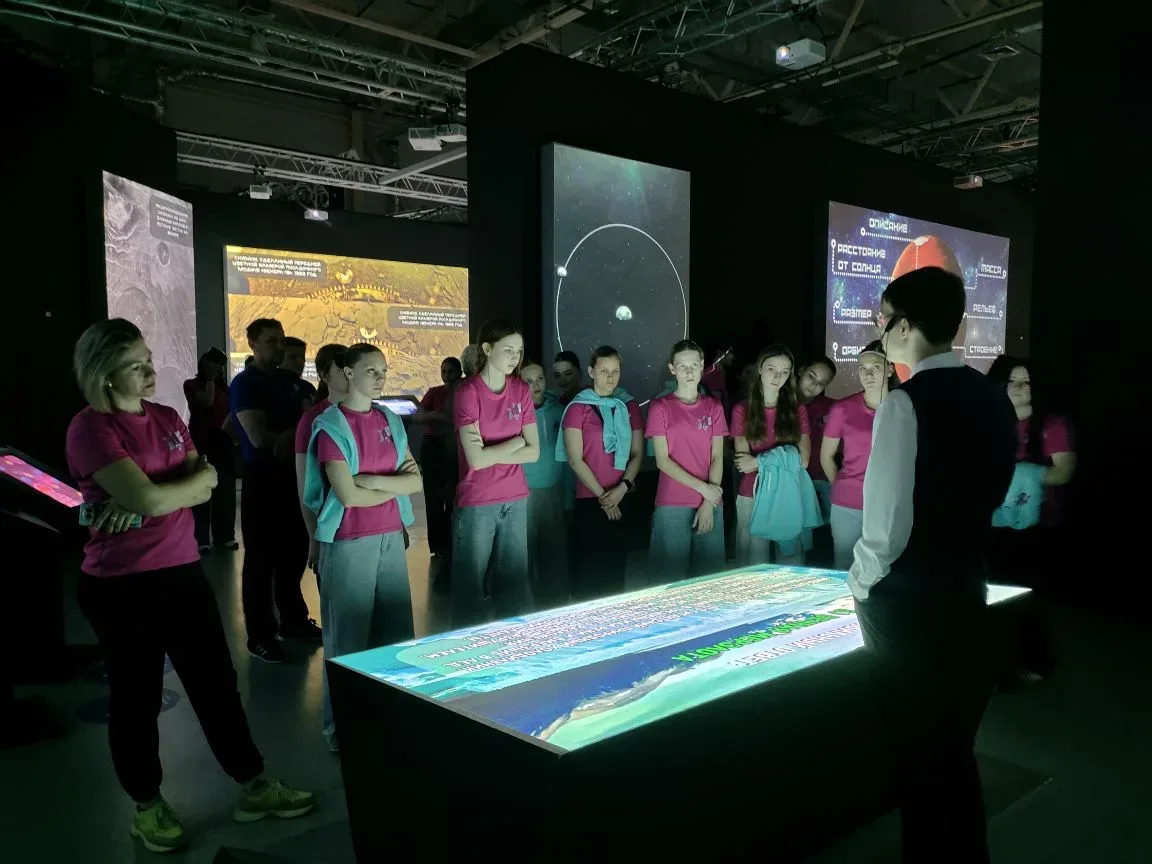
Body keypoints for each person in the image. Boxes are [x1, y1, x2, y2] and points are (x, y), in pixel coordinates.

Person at [66, 319, 313, 855]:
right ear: (103, 374)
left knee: (216, 685)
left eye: (147, 358)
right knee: (136, 698)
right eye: (134, 364)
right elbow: (161, 496)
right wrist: (167, 492)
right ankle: (146, 805)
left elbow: (207, 480)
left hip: (182, 574)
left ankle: (253, 785)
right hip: (121, 586)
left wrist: (156, 496)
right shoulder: (91, 428)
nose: (149, 370)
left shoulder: (166, 416)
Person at [850, 267, 1017, 863]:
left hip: (909, 606)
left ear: (906, 325)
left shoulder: (905, 403)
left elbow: (887, 524)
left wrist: (861, 583)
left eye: (883, 317)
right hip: (967, 587)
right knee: (953, 755)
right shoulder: (994, 397)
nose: (879, 329)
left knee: (921, 763)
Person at [304, 344, 421, 751]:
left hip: (390, 536)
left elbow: (414, 480)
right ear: (347, 373)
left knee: (395, 637)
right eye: (371, 370)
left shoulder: (390, 419)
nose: (380, 377)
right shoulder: (330, 426)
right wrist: (390, 486)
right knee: (348, 643)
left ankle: (392, 720)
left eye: (383, 370)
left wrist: (371, 481)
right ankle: (342, 732)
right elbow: (347, 496)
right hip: (348, 541)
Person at [230, 318, 317, 664]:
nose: (279, 347)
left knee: (294, 552)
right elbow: (259, 439)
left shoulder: (292, 383)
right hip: (263, 481)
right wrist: (298, 429)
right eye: (271, 341)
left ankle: (293, 621)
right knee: (261, 560)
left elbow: (311, 428)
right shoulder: (246, 383)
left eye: (282, 340)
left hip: (294, 477)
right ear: (252, 343)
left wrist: (293, 433)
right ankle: (260, 636)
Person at [986, 355, 1076, 680]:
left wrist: (1023, 474)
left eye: (1026, 382)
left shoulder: (1051, 424)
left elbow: (1064, 471)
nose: (1021, 388)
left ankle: (1034, 661)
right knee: (992, 595)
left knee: (1028, 596)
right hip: (992, 525)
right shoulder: (990, 421)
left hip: (1035, 528)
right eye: (1013, 382)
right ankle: (997, 665)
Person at [451, 319, 539, 626]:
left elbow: (534, 451)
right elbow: (476, 459)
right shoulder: (468, 391)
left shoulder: (521, 390)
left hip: (515, 498)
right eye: (508, 349)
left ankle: (513, 647)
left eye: (519, 350)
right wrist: (516, 441)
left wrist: (495, 451)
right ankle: (465, 649)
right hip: (478, 499)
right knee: (469, 589)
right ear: (488, 349)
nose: (515, 357)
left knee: (514, 586)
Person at [559, 347, 643, 600]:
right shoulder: (578, 407)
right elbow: (575, 460)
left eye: (615, 371)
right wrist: (605, 499)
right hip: (590, 499)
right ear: (591, 371)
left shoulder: (628, 405)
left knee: (616, 575)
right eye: (604, 371)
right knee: (589, 576)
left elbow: (637, 453)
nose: (610, 377)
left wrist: (622, 488)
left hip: (624, 496)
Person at [645, 339, 729, 583]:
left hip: (710, 502)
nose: (689, 371)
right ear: (672, 368)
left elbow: (717, 455)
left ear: (702, 366)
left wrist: (709, 502)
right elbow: (663, 461)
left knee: (709, 579)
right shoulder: (660, 407)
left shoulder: (713, 406)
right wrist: (706, 490)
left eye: (694, 365)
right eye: (682, 366)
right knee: (669, 578)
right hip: (673, 501)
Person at [731, 345, 812, 565]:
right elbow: (743, 463)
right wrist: (784, 457)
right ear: (759, 368)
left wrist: (760, 460)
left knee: (791, 561)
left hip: (788, 491)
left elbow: (803, 460)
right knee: (752, 563)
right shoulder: (742, 410)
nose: (777, 377)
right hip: (753, 491)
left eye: (784, 372)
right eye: (771, 369)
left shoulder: (797, 410)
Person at [820, 342, 891, 569]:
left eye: (875, 367)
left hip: (888, 506)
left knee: (883, 570)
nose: (868, 375)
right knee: (845, 567)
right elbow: (826, 456)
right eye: (862, 368)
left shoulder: (902, 408)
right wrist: (842, 485)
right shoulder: (842, 409)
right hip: (847, 504)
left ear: (890, 369)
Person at [519, 360, 570, 608]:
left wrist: (568, 497)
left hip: (553, 489)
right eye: (528, 381)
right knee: (525, 551)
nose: (536, 385)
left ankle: (555, 603)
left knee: (554, 549)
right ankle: (526, 605)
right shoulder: (515, 413)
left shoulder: (558, 410)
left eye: (539, 378)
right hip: (524, 492)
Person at [294, 344, 349, 570]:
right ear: (324, 375)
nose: (349, 373)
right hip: (333, 529)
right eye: (341, 368)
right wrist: (314, 537)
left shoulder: (376, 414)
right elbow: (305, 484)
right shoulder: (313, 419)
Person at [184, 348, 238, 553]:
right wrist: (210, 378)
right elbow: (206, 401)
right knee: (201, 490)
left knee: (225, 490)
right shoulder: (191, 385)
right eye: (213, 362)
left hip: (222, 441)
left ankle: (225, 537)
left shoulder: (225, 388)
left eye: (220, 364)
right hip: (201, 441)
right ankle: (201, 539)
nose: (217, 367)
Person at [415, 357, 463, 557]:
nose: (447, 375)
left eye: (451, 371)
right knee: (433, 497)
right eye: (444, 371)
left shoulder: (464, 391)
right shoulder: (434, 392)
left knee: (453, 496)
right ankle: (437, 546)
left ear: (460, 372)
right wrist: (438, 415)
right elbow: (418, 416)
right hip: (433, 447)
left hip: (455, 447)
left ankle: (453, 542)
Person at [795, 355, 837, 522]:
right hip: (793, 479)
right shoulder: (780, 404)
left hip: (823, 477)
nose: (814, 385)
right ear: (801, 371)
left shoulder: (831, 407)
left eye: (821, 383)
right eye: (811, 376)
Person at [282, 336, 317, 408]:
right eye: (292, 357)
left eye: (302, 357)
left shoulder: (308, 387)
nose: (300, 361)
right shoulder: (269, 386)